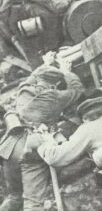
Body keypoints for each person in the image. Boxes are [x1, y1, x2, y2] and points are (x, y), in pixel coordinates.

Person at [0, 53, 84, 211]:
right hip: (29, 149)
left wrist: (46, 64)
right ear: (55, 84)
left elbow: (32, 77)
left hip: (10, 148)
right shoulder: (52, 96)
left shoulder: (23, 90)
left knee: (14, 197)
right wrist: (66, 71)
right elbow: (77, 90)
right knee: (33, 203)